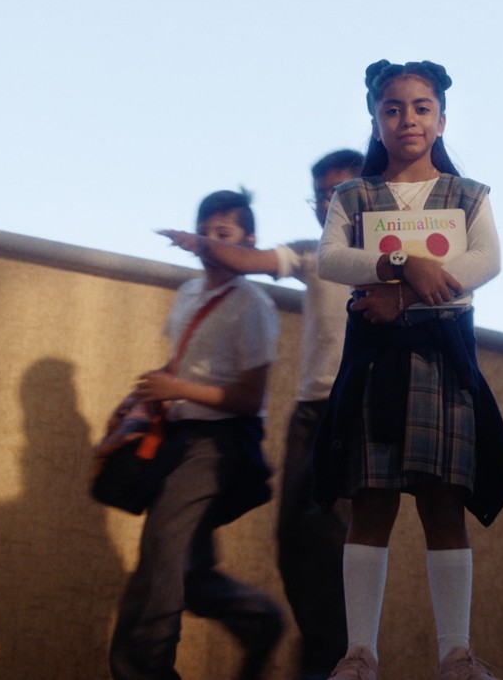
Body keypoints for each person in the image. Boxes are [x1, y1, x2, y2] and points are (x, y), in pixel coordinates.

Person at [311, 59, 503, 680]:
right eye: (394, 108)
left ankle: (456, 651)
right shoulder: (353, 197)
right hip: (376, 364)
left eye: (422, 108)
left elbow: (486, 264)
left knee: (443, 502)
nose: (408, 119)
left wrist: (400, 293)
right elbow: (332, 261)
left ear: (442, 119)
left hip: (445, 361)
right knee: (371, 501)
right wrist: (404, 261)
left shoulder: (470, 196)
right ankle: (359, 652)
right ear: (375, 120)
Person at [161, 149, 364, 680]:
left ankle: (336, 663)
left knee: (335, 543)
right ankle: (318, 654)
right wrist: (202, 242)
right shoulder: (312, 254)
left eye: (341, 190)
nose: (329, 202)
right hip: (308, 413)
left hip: (359, 413)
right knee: (293, 542)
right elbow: (253, 262)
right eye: (321, 194)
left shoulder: (389, 254)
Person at [110, 189, 284, 680]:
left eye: (223, 235)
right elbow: (187, 364)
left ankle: (143, 670)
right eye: (203, 234)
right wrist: (159, 386)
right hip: (179, 438)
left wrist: (177, 385)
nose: (210, 244)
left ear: (248, 242)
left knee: (161, 555)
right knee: (187, 569)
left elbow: (250, 398)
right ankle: (259, 620)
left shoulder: (253, 305)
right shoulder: (188, 295)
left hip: (220, 444)